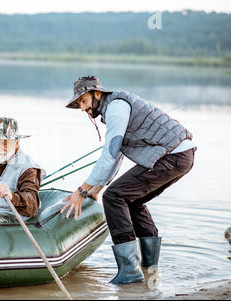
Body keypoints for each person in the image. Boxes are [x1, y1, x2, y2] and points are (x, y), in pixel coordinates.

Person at [60, 75, 196, 284]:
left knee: (114, 197)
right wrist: (97, 188)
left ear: (97, 94)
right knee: (131, 199)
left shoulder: (116, 108)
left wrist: (81, 191)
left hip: (172, 156)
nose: (82, 108)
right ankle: (149, 268)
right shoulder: (114, 108)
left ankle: (129, 271)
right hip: (181, 156)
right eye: (79, 104)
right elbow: (118, 155)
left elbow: (110, 153)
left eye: (84, 101)